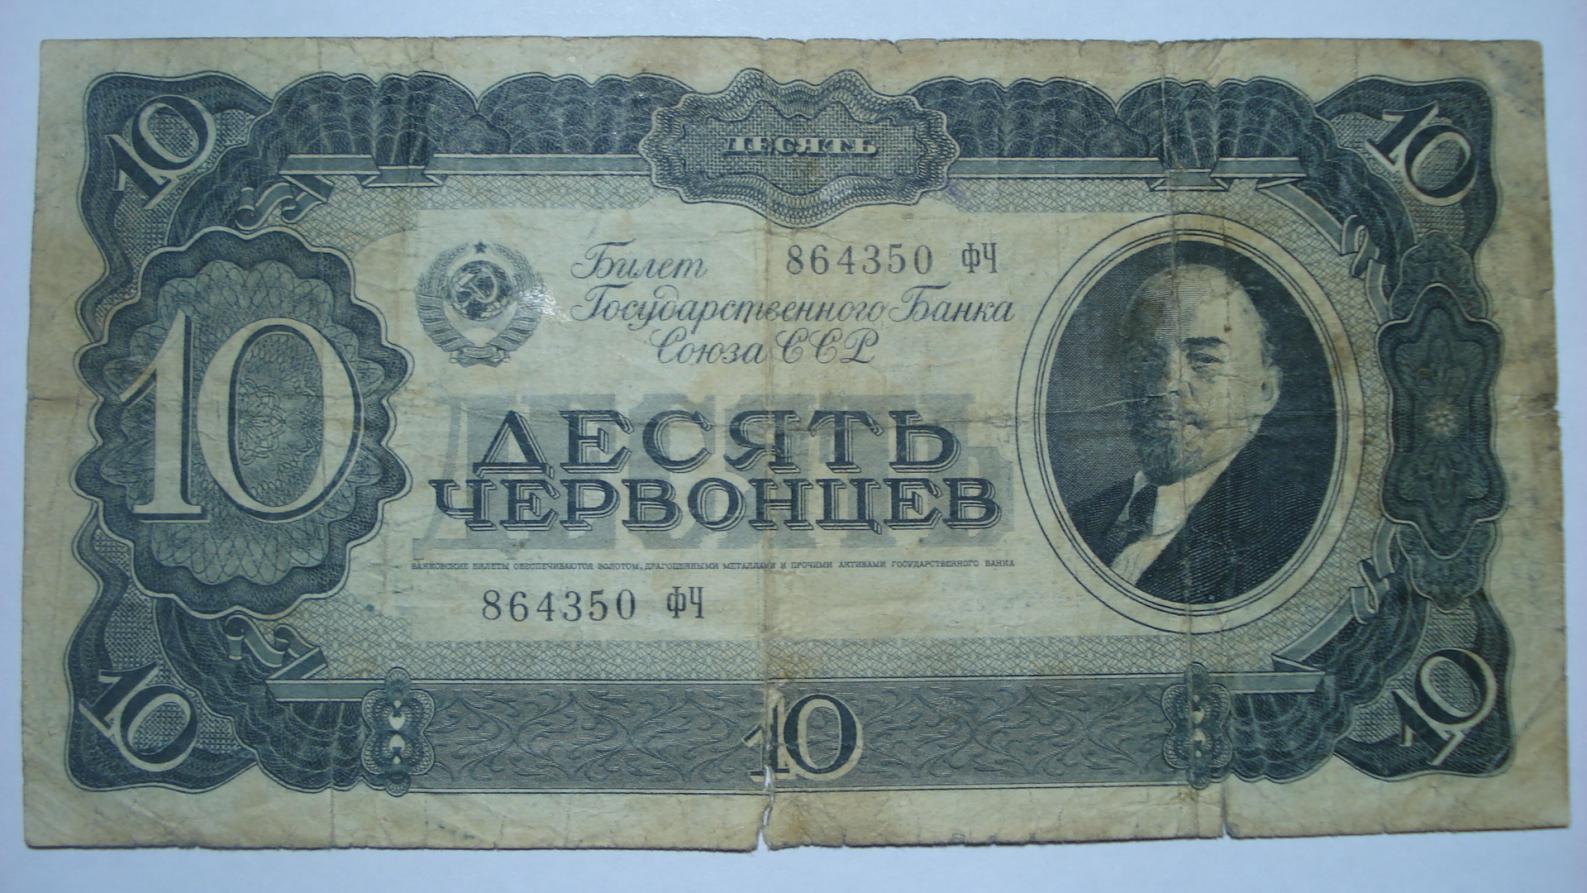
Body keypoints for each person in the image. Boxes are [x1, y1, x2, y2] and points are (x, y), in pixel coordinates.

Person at [1067, 263, 1312, 604]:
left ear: (1265, 390)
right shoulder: (1080, 519)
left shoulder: (1292, 526)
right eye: (1146, 358)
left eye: (1204, 359)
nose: (1166, 383)